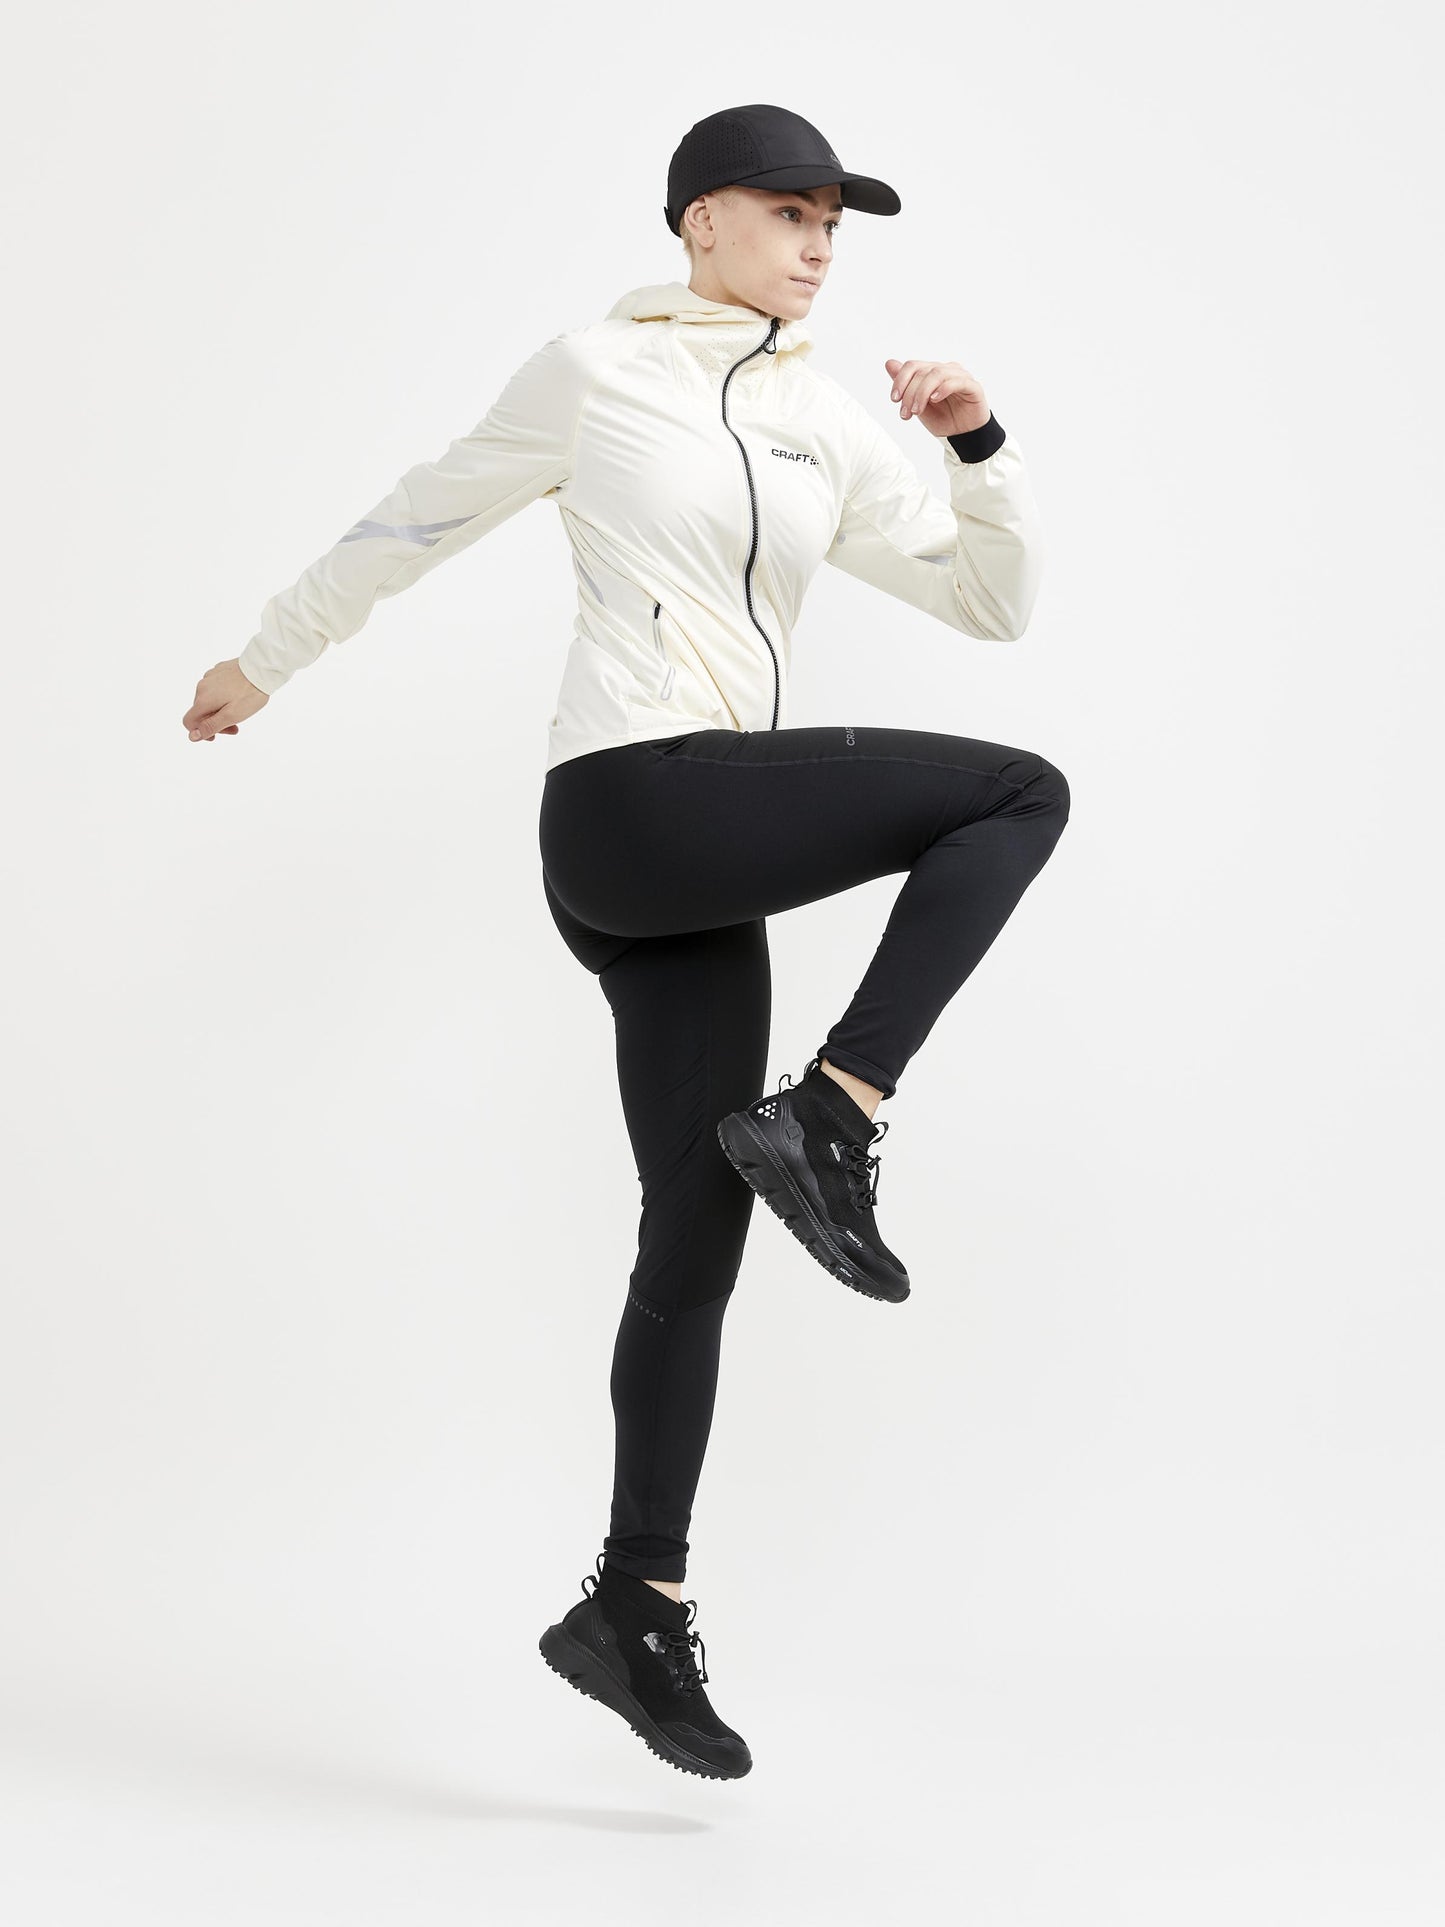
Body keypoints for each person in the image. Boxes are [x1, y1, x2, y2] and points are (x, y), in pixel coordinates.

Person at [182, 103, 1070, 1784]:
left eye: (835, 224)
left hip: (697, 866)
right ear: (697, 222)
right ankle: (837, 1113)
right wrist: (264, 661)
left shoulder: (820, 423)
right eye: (788, 212)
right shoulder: (594, 372)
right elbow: (416, 517)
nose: (817, 245)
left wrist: (978, 446)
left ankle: (632, 1603)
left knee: (694, 1234)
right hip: (629, 801)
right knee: (1017, 794)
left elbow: (989, 603)